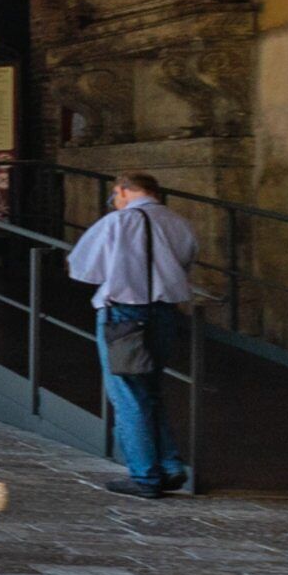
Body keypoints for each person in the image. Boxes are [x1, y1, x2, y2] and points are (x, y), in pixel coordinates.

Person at [65, 171, 198, 498]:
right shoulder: (179, 222)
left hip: (124, 314)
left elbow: (84, 268)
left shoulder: (117, 222)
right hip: (165, 313)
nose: (116, 201)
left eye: (115, 195)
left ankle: (144, 476)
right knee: (151, 391)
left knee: (127, 395)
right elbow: (186, 261)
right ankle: (169, 467)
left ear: (123, 191)